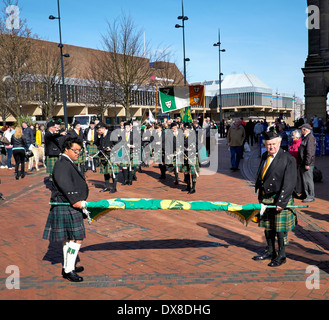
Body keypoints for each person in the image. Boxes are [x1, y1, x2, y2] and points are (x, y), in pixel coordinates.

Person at [43, 137, 88, 282]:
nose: (77, 153)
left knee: (69, 238)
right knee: (77, 238)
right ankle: (69, 270)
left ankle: (68, 267)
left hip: (67, 204)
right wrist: (76, 201)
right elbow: (65, 184)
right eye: (74, 150)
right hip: (67, 204)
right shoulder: (62, 164)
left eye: (79, 151)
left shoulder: (66, 162)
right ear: (66, 149)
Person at [253, 131, 297, 267]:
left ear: (279, 142)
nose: (270, 147)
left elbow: (289, 182)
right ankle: (270, 251)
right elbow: (262, 175)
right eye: (267, 145)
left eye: (273, 144)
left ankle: (282, 255)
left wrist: (282, 202)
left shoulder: (288, 159)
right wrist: (260, 194)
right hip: (266, 198)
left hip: (279, 198)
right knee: (268, 228)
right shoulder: (265, 155)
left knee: (280, 229)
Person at [95, 122, 120, 193]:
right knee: (105, 172)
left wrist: (111, 148)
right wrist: (98, 138)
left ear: (103, 128)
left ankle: (114, 188)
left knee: (113, 171)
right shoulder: (101, 135)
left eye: (99, 130)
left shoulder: (111, 134)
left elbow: (118, 143)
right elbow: (97, 144)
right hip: (103, 155)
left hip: (111, 155)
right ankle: (107, 187)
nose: (98, 132)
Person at [298, 123, 316, 203]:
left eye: (301, 129)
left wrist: (307, 163)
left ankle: (310, 196)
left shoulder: (310, 138)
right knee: (304, 180)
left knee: (308, 180)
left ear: (305, 130)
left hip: (307, 163)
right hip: (303, 163)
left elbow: (310, 152)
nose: (301, 131)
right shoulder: (306, 138)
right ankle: (305, 194)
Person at [180, 123, 200, 194]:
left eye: (185, 130)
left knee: (192, 172)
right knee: (186, 172)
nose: (183, 132)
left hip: (192, 156)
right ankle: (188, 186)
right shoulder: (182, 137)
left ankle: (193, 188)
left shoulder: (194, 136)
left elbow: (198, 145)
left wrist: (192, 149)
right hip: (185, 156)